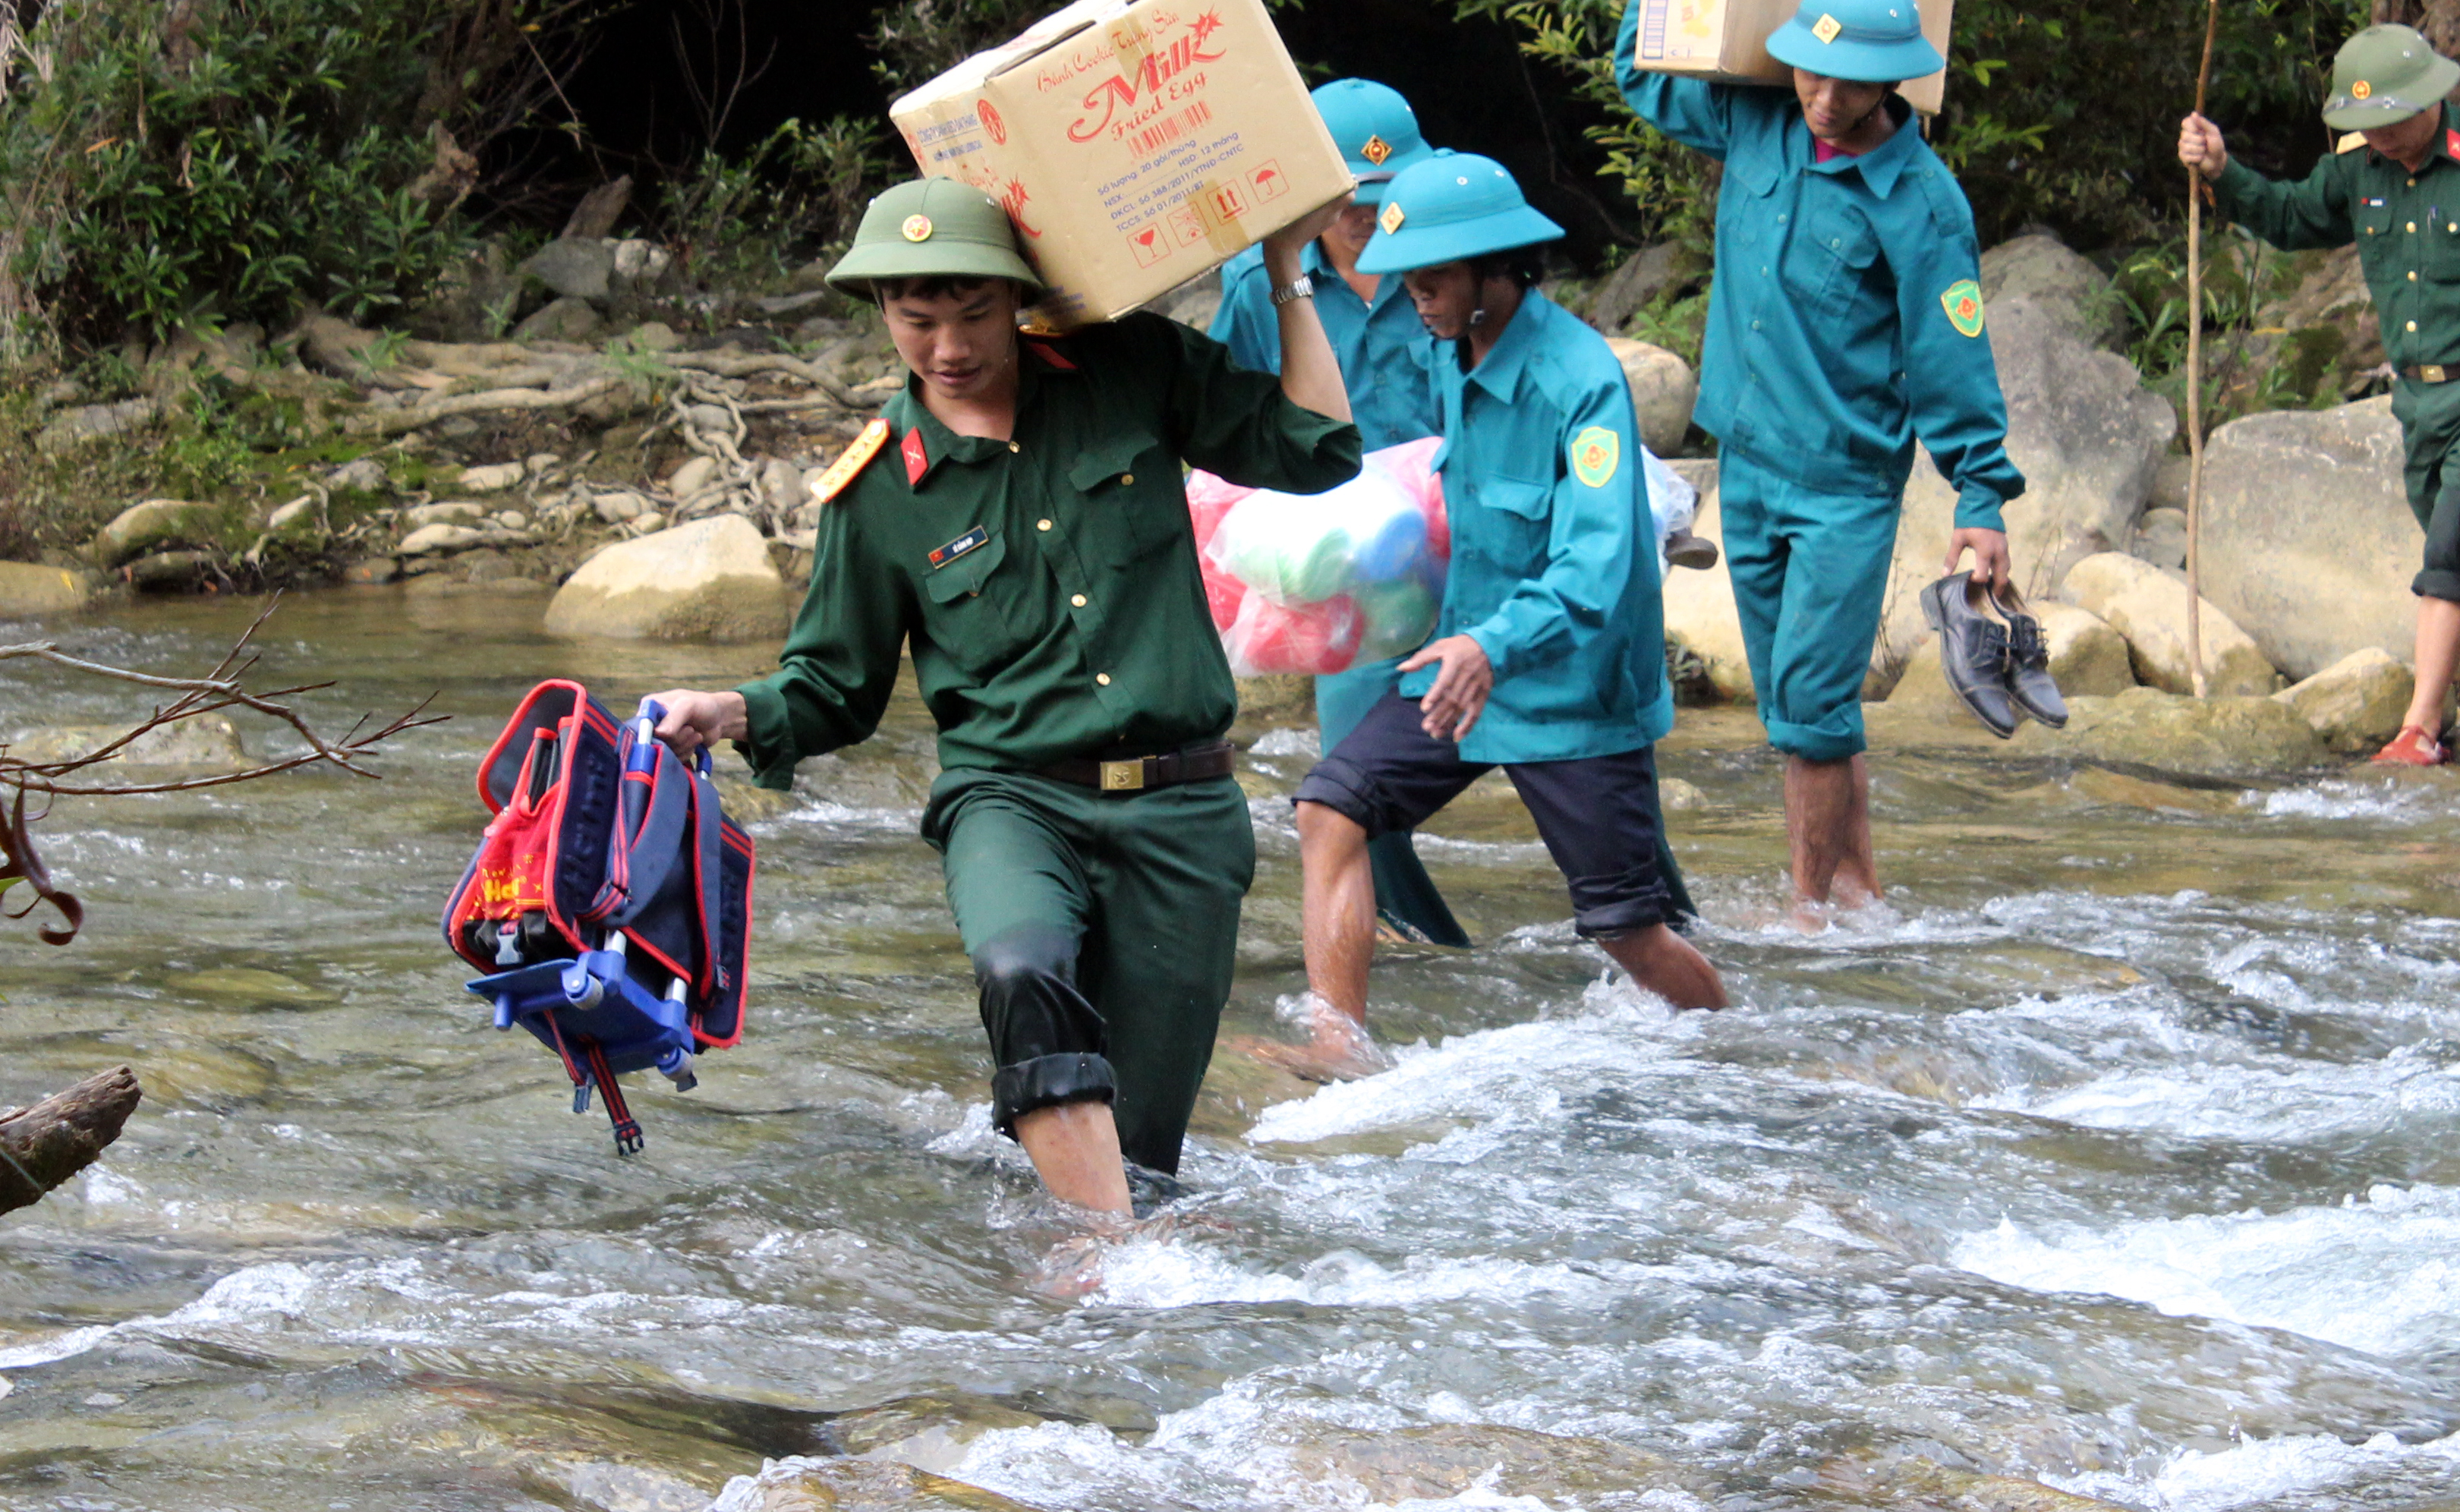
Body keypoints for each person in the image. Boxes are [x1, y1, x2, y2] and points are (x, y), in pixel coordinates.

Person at [643, 174, 1359, 1219]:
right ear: (883, 315)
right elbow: (833, 685)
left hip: (1184, 808)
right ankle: (1088, 1264)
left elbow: (1318, 449)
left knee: (1147, 1155)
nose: (947, 347)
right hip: (1012, 796)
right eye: (916, 319)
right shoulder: (878, 486)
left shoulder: (1131, 367)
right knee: (1022, 965)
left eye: (973, 313)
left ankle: (1078, 1300)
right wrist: (730, 707)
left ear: (1018, 296)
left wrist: (1288, 272)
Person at [1271, 153, 1725, 1076]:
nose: (1414, 300)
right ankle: (1338, 1046)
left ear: (1499, 269)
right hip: (1464, 666)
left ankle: (1739, 1045)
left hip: (1570, 691)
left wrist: (1493, 641)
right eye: (1407, 281)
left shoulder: (1579, 382)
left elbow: (1598, 561)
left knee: (1626, 933)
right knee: (1328, 807)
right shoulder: (1452, 349)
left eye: (1430, 282)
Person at [1615, 0, 2021, 920]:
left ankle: (1804, 914)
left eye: (1849, 85)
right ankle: (1857, 893)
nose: (1823, 100)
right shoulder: (1755, 119)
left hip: (1844, 485)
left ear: (1894, 86)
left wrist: (1980, 497)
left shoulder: (1923, 204)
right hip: (1746, 463)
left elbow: (1950, 355)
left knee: (1807, 706)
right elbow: (1643, 76)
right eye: (1810, 75)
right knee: (1801, 710)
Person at [2176, 21, 2460, 765]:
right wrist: (2222, 169)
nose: (2375, 137)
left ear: (2427, 99)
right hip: (2418, 402)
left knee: (2452, 547)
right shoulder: (2358, 167)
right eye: (2362, 126)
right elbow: (2290, 217)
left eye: (2386, 120)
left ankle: (2417, 728)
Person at [1204, 77, 1471, 949]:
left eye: (1387, 195)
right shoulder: (1260, 286)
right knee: (1354, 781)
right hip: (1350, 577)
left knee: (1569, 751)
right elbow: (1230, 427)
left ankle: (1650, 920)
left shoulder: (1452, 259)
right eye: (1349, 196)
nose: (1367, 214)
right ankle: (1418, 943)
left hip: (1470, 543)